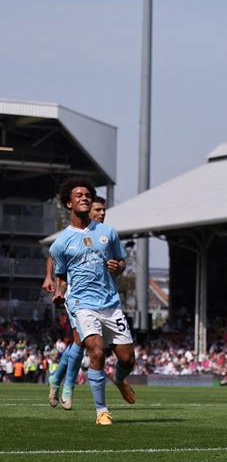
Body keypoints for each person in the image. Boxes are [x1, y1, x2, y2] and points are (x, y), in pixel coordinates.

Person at [49, 178, 135, 426]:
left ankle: (119, 379)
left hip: (110, 303)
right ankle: (102, 412)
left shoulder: (108, 233)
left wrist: (117, 267)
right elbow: (62, 277)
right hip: (82, 304)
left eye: (87, 194)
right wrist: (58, 292)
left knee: (127, 359)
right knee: (96, 350)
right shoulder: (60, 243)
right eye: (79, 195)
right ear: (69, 203)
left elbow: (121, 263)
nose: (85, 198)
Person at [43, 194, 109, 410]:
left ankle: (55, 380)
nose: (101, 214)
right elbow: (54, 254)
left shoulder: (103, 235)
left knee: (78, 343)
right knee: (81, 341)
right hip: (74, 293)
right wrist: (49, 278)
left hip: (97, 296)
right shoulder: (73, 233)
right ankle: (68, 388)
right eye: (97, 210)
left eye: (102, 210)